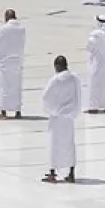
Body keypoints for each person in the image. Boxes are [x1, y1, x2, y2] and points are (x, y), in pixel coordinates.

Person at [41, 55, 83, 183]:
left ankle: (53, 173)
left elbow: (45, 97)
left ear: (57, 66)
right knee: (69, 145)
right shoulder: (75, 78)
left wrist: (51, 110)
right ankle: (71, 172)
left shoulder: (56, 80)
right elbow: (79, 96)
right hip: (69, 117)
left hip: (58, 116)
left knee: (55, 146)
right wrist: (75, 111)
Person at [0, 10, 26, 118]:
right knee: (16, 87)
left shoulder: (4, 29)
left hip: (5, 61)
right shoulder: (22, 29)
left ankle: (3, 112)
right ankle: (18, 111)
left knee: (3, 86)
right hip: (17, 60)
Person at [85, 14, 105, 113]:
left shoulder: (96, 34)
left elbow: (89, 47)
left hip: (98, 64)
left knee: (95, 86)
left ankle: (93, 107)